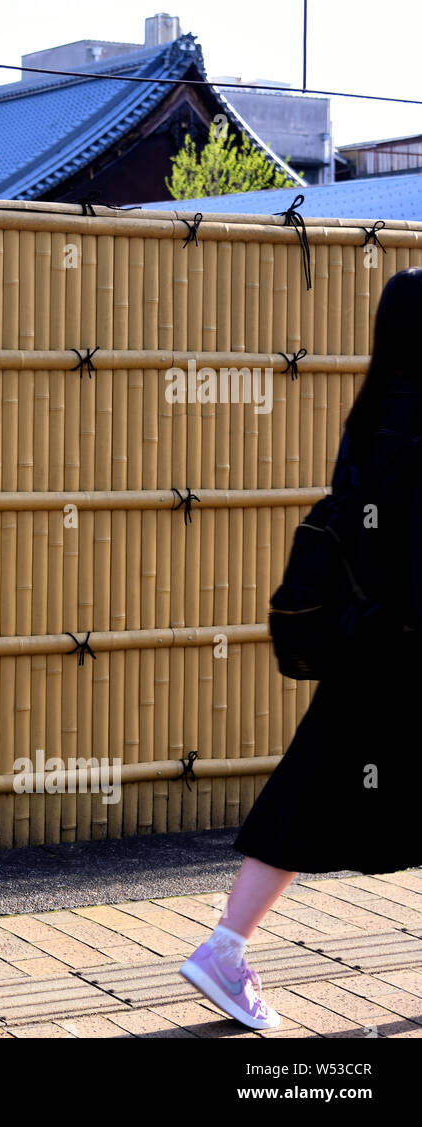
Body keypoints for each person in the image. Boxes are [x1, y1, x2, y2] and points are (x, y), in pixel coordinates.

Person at [180, 267, 422, 1030]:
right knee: (312, 790)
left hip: (370, 646)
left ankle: (225, 947)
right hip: (404, 648)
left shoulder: (376, 411)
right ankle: (222, 950)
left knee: (310, 789)